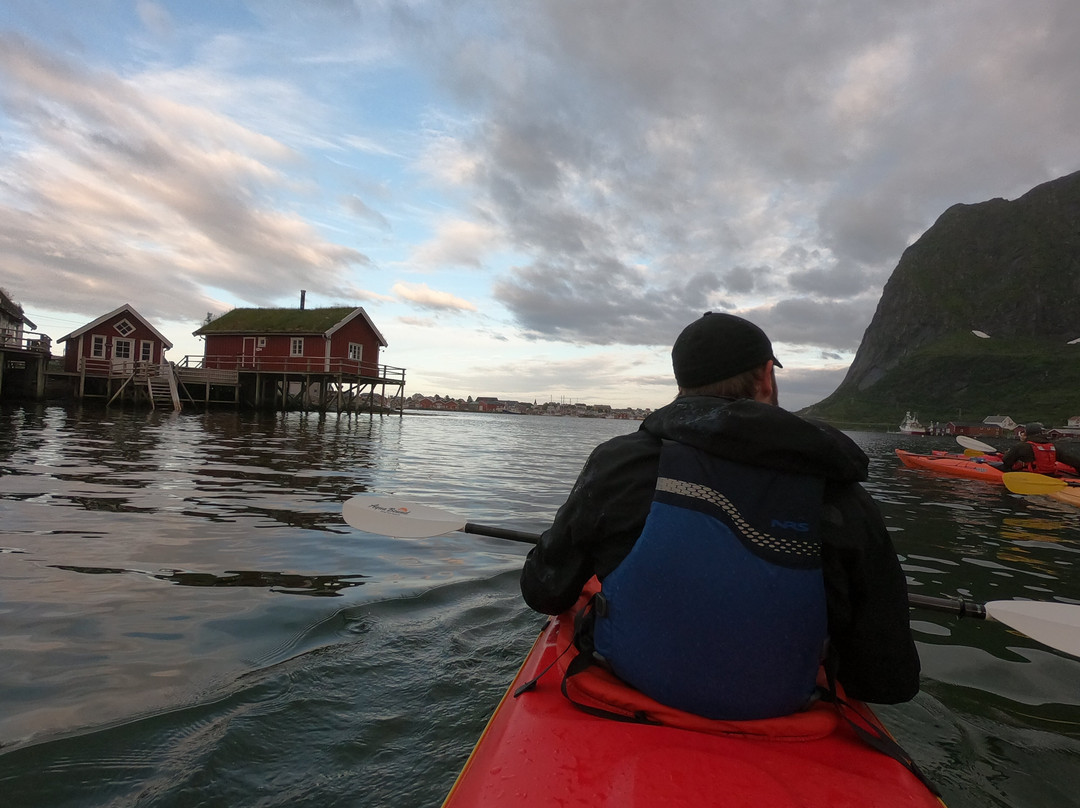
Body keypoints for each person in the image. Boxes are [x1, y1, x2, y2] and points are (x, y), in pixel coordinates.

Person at [520, 312, 920, 721]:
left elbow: (543, 592)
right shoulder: (841, 492)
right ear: (766, 377)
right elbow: (887, 680)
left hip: (631, 687)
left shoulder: (618, 465)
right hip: (781, 713)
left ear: (681, 385)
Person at [999, 424, 1080, 475]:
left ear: (1027, 433)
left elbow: (1006, 460)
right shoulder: (1053, 447)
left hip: (1030, 475)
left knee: (1000, 466)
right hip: (1050, 474)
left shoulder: (1022, 446)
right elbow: (1073, 461)